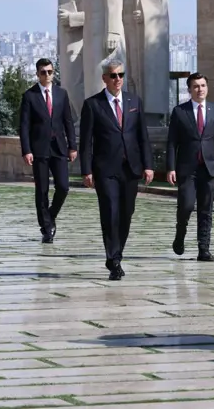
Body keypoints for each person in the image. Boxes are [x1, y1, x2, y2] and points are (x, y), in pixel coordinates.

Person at [80, 59, 153, 280]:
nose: (117, 79)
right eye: (113, 75)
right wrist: (86, 170)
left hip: (131, 168)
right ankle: (113, 259)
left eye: (120, 75)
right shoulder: (93, 105)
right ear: (104, 78)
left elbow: (143, 137)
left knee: (126, 213)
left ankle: (117, 253)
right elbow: (86, 142)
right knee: (110, 212)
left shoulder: (134, 101)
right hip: (105, 169)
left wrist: (148, 165)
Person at [166, 72, 214, 261]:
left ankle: (204, 249)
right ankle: (180, 235)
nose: (200, 89)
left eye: (203, 85)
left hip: (209, 168)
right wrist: (170, 167)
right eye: (196, 86)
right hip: (187, 169)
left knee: (206, 209)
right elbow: (172, 142)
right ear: (189, 90)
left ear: (207, 88)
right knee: (186, 206)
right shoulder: (180, 112)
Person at [19, 58, 78, 243]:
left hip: (59, 147)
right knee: (42, 190)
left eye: (50, 72)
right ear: (37, 74)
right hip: (39, 149)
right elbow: (24, 126)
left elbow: (68, 121)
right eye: (43, 72)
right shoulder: (30, 96)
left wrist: (72, 146)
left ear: (53, 73)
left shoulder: (62, 94)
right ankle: (46, 228)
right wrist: (26, 150)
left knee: (63, 187)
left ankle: (50, 215)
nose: (47, 75)